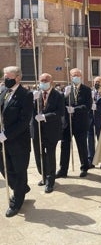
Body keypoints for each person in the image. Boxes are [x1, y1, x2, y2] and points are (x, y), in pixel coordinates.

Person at [0, 66, 33, 217]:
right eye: (4, 76)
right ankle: (21, 187)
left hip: (18, 142)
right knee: (4, 167)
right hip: (3, 141)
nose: (5, 79)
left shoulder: (25, 95)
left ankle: (17, 201)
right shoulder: (3, 92)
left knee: (19, 171)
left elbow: (24, 121)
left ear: (18, 77)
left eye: (8, 76)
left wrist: (6, 134)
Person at [31, 73, 65, 193]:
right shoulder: (36, 94)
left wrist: (45, 116)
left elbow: (60, 112)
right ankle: (44, 175)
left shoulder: (58, 95)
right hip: (37, 130)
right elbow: (30, 111)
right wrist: (32, 101)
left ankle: (50, 180)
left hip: (51, 131)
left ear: (51, 81)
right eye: (41, 80)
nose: (43, 82)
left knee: (50, 156)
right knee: (38, 154)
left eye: (45, 80)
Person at [56, 68, 92, 178]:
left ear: (81, 76)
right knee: (65, 145)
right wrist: (64, 96)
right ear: (70, 77)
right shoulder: (67, 89)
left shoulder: (86, 90)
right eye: (73, 75)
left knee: (82, 146)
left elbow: (88, 106)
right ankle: (63, 169)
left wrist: (75, 109)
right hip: (68, 123)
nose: (75, 77)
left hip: (81, 123)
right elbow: (60, 105)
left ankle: (84, 167)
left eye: (77, 75)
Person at [87, 76, 101, 168]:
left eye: (99, 82)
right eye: (95, 82)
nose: (97, 84)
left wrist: (98, 108)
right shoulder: (90, 93)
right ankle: (91, 159)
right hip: (90, 119)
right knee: (90, 140)